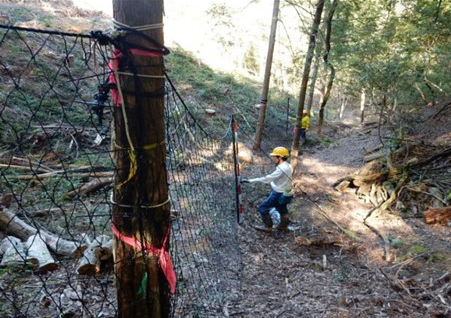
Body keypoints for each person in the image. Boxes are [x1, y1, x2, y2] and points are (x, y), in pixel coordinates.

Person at [242, 147, 293, 232]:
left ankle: (268, 226)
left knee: (263, 207)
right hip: (287, 192)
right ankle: (283, 226)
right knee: (282, 207)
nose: (272, 158)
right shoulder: (288, 166)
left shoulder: (282, 169)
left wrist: (250, 180)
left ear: (279, 158)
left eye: (274, 156)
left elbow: (267, 179)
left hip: (278, 193)